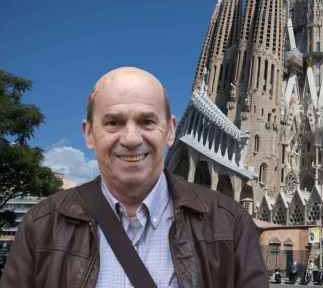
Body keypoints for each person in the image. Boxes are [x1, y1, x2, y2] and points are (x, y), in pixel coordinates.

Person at [0, 67, 267, 287]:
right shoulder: (42, 226)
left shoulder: (229, 225)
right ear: (89, 133)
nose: (130, 139)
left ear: (171, 130)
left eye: (147, 121)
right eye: (113, 122)